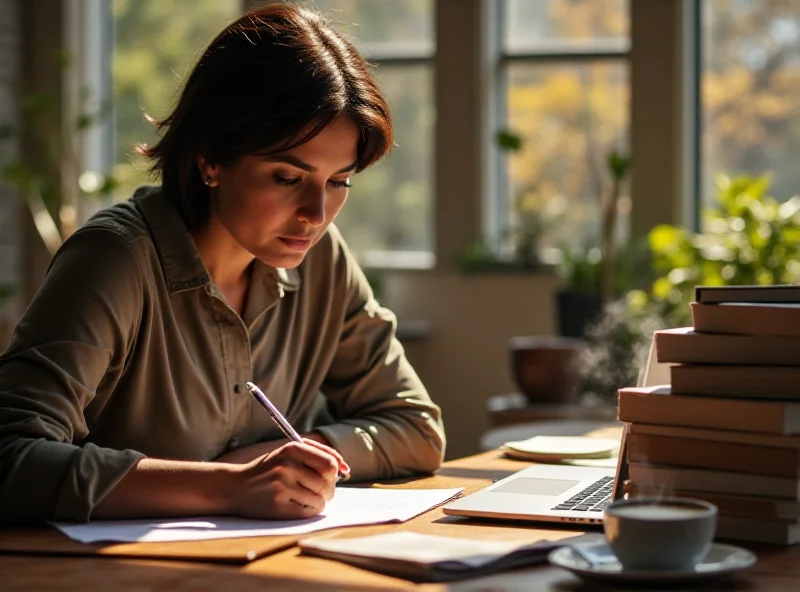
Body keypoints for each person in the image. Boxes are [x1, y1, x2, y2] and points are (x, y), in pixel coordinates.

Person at [0, 2, 445, 525]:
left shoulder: (322, 259)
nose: (315, 214)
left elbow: (414, 426)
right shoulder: (114, 261)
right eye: (287, 177)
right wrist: (225, 488)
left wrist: (289, 460)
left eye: (339, 181)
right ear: (210, 158)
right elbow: (10, 457)